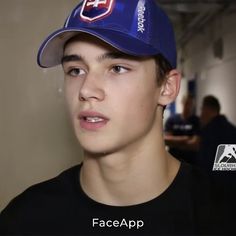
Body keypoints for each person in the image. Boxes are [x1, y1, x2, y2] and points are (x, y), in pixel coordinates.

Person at [0, 1, 233, 235]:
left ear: (167, 87)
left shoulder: (222, 214)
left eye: (117, 68)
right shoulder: (24, 220)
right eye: (75, 70)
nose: (86, 89)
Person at [164, 94, 200, 164]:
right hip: (173, 161)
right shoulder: (172, 120)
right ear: (182, 103)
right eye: (187, 103)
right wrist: (185, 138)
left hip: (191, 162)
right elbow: (166, 140)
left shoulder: (197, 121)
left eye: (191, 104)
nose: (188, 106)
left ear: (193, 106)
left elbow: (194, 145)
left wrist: (175, 143)